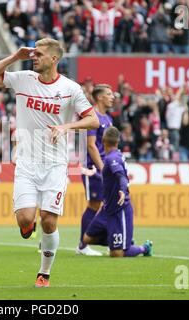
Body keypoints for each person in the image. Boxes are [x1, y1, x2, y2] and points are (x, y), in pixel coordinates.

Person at [0, 38, 99, 287]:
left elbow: (93, 120)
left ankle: (44, 273)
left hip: (55, 165)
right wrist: (16, 56)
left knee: (49, 220)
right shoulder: (24, 78)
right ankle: (28, 228)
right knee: (26, 220)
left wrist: (67, 126)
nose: (34, 57)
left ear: (54, 59)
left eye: (39, 54)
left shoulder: (70, 88)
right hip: (26, 162)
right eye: (33, 54)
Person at [81, 126, 153, 258]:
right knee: (86, 239)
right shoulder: (116, 155)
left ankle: (144, 248)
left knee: (117, 253)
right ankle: (118, 239)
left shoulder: (111, 159)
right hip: (106, 208)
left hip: (120, 210)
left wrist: (122, 190)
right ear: (118, 141)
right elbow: (113, 176)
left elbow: (121, 177)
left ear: (102, 140)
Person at [76, 84, 114, 256]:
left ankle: (110, 239)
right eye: (109, 94)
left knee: (105, 205)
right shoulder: (92, 116)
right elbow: (91, 146)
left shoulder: (108, 119)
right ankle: (82, 246)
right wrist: (103, 168)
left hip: (103, 167)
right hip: (92, 168)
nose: (112, 97)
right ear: (99, 97)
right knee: (94, 204)